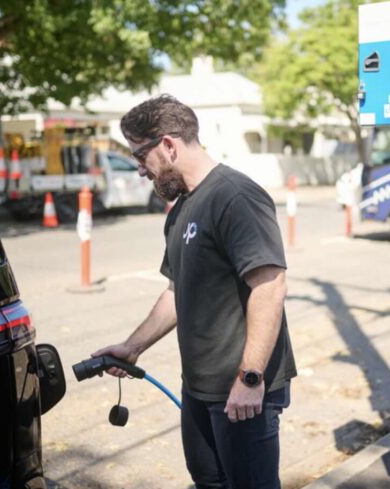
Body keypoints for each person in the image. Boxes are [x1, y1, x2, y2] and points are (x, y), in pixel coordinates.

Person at [92, 95, 297, 489]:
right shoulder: (183, 208)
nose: (139, 170)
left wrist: (250, 380)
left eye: (140, 155)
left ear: (168, 145)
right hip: (200, 388)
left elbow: (270, 286)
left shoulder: (235, 196)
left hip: (241, 391)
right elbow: (176, 293)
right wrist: (133, 346)